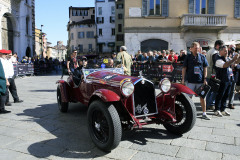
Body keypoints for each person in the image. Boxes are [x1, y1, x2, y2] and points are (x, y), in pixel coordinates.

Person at [182, 42, 210, 120]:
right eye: (195, 48)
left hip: (200, 81)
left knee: (202, 97)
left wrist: (205, 79)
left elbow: (205, 68)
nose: (197, 49)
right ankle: (188, 113)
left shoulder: (202, 57)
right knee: (188, 98)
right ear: (191, 49)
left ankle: (204, 113)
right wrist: (183, 79)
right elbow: (184, 68)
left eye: (198, 48)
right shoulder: (188, 57)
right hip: (190, 81)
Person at [214, 46, 240, 116]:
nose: (226, 52)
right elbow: (225, 65)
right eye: (225, 51)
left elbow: (234, 63)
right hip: (222, 80)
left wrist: (238, 58)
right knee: (220, 95)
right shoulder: (218, 59)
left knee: (226, 95)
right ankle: (217, 109)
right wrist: (233, 60)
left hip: (229, 79)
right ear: (220, 51)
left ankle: (223, 109)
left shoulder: (228, 58)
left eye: (227, 51)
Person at [206, 40, 224, 110]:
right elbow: (216, 64)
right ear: (218, 45)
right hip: (212, 73)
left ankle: (208, 104)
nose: (222, 48)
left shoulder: (210, 51)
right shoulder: (215, 53)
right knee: (214, 90)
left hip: (209, 72)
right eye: (222, 46)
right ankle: (210, 104)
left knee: (209, 90)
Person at [0, 49, 11, 114]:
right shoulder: (1, 61)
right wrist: (6, 81)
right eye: (5, 54)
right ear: (1, 54)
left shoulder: (4, 60)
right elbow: (2, 72)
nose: (6, 55)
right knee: (4, 93)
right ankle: (1, 109)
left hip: (4, 79)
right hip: (3, 80)